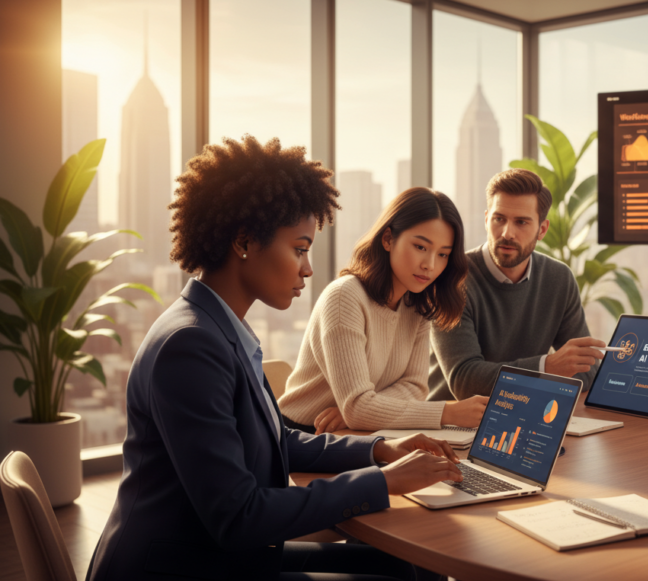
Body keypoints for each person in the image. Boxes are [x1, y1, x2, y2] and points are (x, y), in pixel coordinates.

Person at [86, 136, 462, 581]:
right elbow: (239, 515)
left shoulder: (220, 328)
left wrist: (381, 449)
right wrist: (383, 481)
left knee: (407, 566)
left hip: (222, 556)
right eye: (300, 249)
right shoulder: (190, 347)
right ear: (244, 242)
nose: (308, 268)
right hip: (179, 568)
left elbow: (279, 440)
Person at [278, 188, 488, 434]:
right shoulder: (345, 297)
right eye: (421, 247)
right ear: (388, 239)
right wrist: (449, 413)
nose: (430, 265)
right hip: (300, 435)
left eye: (443, 254)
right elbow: (358, 408)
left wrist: (366, 409)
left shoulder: (418, 307)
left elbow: (416, 388)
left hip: (359, 432)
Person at [428, 168, 606, 402]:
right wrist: (545, 368)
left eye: (521, 222)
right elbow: (465, 381)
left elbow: (587, 370)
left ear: (542, 230)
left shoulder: (559, 278)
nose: (507, 233)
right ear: (486, 220)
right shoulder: (452, 278)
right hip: (453, 420)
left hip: (523, 411)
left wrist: (537, 381)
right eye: (499, 219)